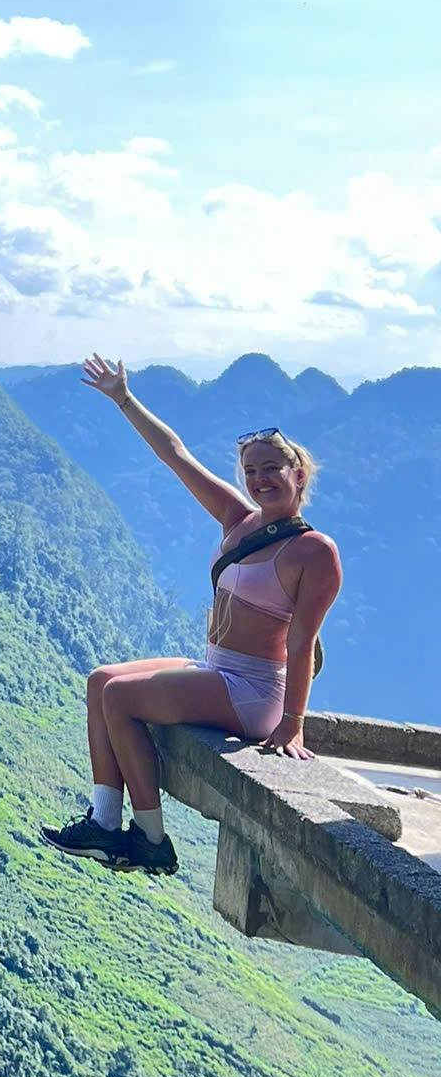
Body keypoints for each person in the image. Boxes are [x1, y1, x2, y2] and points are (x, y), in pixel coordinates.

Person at [42, 354, 342, 875]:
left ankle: (151, 839)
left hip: (252, 691)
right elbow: (176, 455)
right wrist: (123, 398)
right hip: (214, 669)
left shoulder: (315, 552)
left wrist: (293, 724)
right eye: (251, 471)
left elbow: (300, 644)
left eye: (272, 469)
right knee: (100, 681)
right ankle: (105, 822)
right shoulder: (238, 519)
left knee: (121, 696)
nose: (260, 479)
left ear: (297, 474)